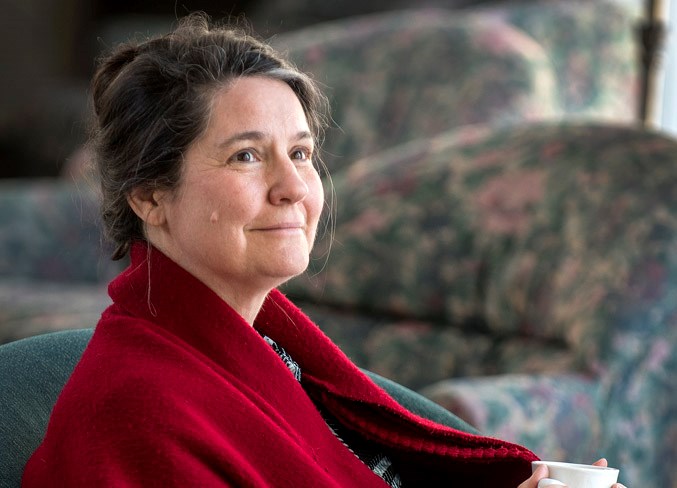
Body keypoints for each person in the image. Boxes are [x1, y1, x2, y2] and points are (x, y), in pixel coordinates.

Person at [22, 13, 625, 487]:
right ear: (151, 198)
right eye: (247, 156)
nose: (293, 189)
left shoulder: (271, 350)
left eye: (302, 154)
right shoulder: (136, 419)